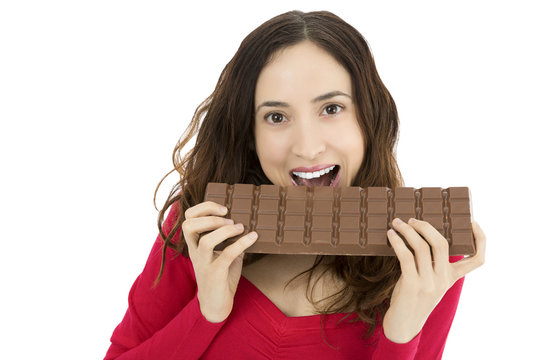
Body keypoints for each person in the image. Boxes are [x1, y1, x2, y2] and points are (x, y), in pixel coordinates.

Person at [104, 10, 486, 360]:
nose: (307, 147)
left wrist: (402, 332)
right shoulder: (198, 231)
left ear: (368, 118)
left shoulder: (428, 259)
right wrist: (206, 313)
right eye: (276, 116)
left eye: (331, 109)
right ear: (249, 133)